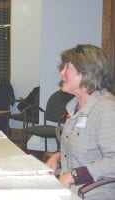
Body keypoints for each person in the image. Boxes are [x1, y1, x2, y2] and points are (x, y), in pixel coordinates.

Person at [45, 44, 115, 199]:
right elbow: (84, 150)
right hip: (70, 190)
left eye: (67, 68)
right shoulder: (74, 106)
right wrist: (57, 157)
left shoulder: (107, 108)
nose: (62, 72)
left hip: (94, 192)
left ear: (87, 73)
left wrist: (74, 176)